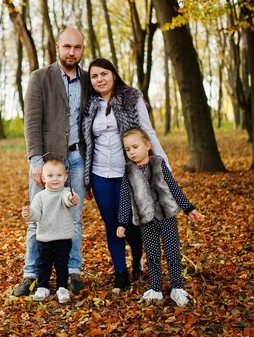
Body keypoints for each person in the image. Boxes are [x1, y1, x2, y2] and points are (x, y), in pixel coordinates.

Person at [82, 57, 171, 291]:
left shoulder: (132, 97)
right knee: (111, 224)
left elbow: (147, 131)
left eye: (104, 74)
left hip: (130, 172)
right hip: (100, 173)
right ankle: (120, 273)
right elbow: (86, 141)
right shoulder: (90, 104)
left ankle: (137, 257)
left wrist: (163, 165)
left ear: (113, 74)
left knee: (132, 224)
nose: (100, 79)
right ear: (90, 81)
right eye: (94, 76)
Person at [13, 27, 88, 297]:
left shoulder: (89, 80)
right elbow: (31, 121)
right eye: (67, 46)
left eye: (77, 47)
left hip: (78, 158)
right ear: (57, 46)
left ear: (82, 49)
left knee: (74, 217)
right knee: (38, 219)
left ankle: (72, 272)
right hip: (47, 162)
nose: (72, 52)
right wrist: (36, 161)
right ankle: (31, 274)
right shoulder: (40, 77)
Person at [118, 128, 203, 306]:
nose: (132, 152)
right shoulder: (129, 172)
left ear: (147, 145)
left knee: (172, 252)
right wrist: (122, 222)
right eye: (127, 149)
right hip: (146, 221)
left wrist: (189, 208)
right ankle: (155, 289)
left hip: (167, 217)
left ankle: (177, 288)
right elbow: (125, 198)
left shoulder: (158, 164)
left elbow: (173, 187)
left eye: (135, 146)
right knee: (152, 255)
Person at [21, 158, 79, 303]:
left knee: (62, 264)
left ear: (65, 177)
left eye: (59, 176)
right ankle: (43, 287)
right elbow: (36, 215)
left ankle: (62, 288)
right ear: (43, 178)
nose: (55, 179)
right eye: (50, 176)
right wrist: (29, 213)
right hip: (45, 238)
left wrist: (73, 199)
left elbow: (69, 200)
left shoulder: (65, 192)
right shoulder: (40, 196)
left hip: (63, 237)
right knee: (44, 264)